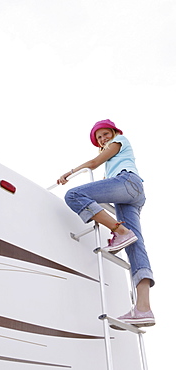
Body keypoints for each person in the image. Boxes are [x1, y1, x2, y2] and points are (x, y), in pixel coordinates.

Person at [57, 119, 155, 327]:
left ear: (113, 132)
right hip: (129, 194)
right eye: (99, 137)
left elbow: (94, 163)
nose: (103, 138)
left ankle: (119, 231)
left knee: (74, 195)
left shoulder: (119, 141)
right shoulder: (113, 158)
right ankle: (143, 308)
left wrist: (70, 172)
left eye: (104, 134)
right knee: (136, 246)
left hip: (128, 183)